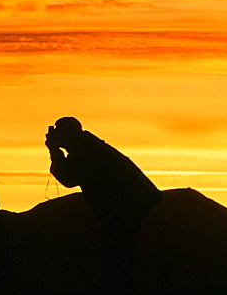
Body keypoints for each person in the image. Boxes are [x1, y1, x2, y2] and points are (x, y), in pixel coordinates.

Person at [46, 116, 162, 284]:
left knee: (119, 255)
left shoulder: (85, 150)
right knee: (119, 253)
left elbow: (68, 178)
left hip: (128, 208)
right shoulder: (86, 146)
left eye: (59, 132)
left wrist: (54, 151)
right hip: (130, 205)